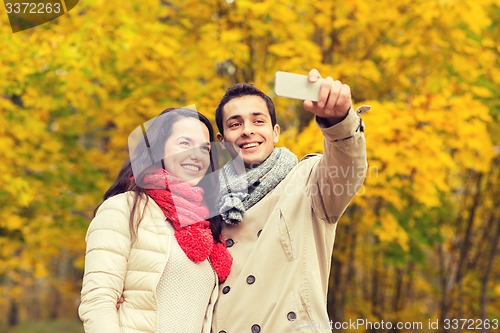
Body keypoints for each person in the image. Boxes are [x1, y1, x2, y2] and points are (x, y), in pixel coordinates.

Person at [212, 69, 368, 333]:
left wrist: (339, 121)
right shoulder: (206, 201)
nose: (247, 131)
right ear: (221, 141)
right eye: (235, 124)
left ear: (275, 132)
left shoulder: (309, 182)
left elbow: (347, 164)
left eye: (258, 121)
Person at [78, 108, 232, 333]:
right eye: (184, 143)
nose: (196, 155)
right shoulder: (125, 209)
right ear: (158, 148)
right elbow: (98, 302)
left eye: (205, 148)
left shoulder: (207, 227)